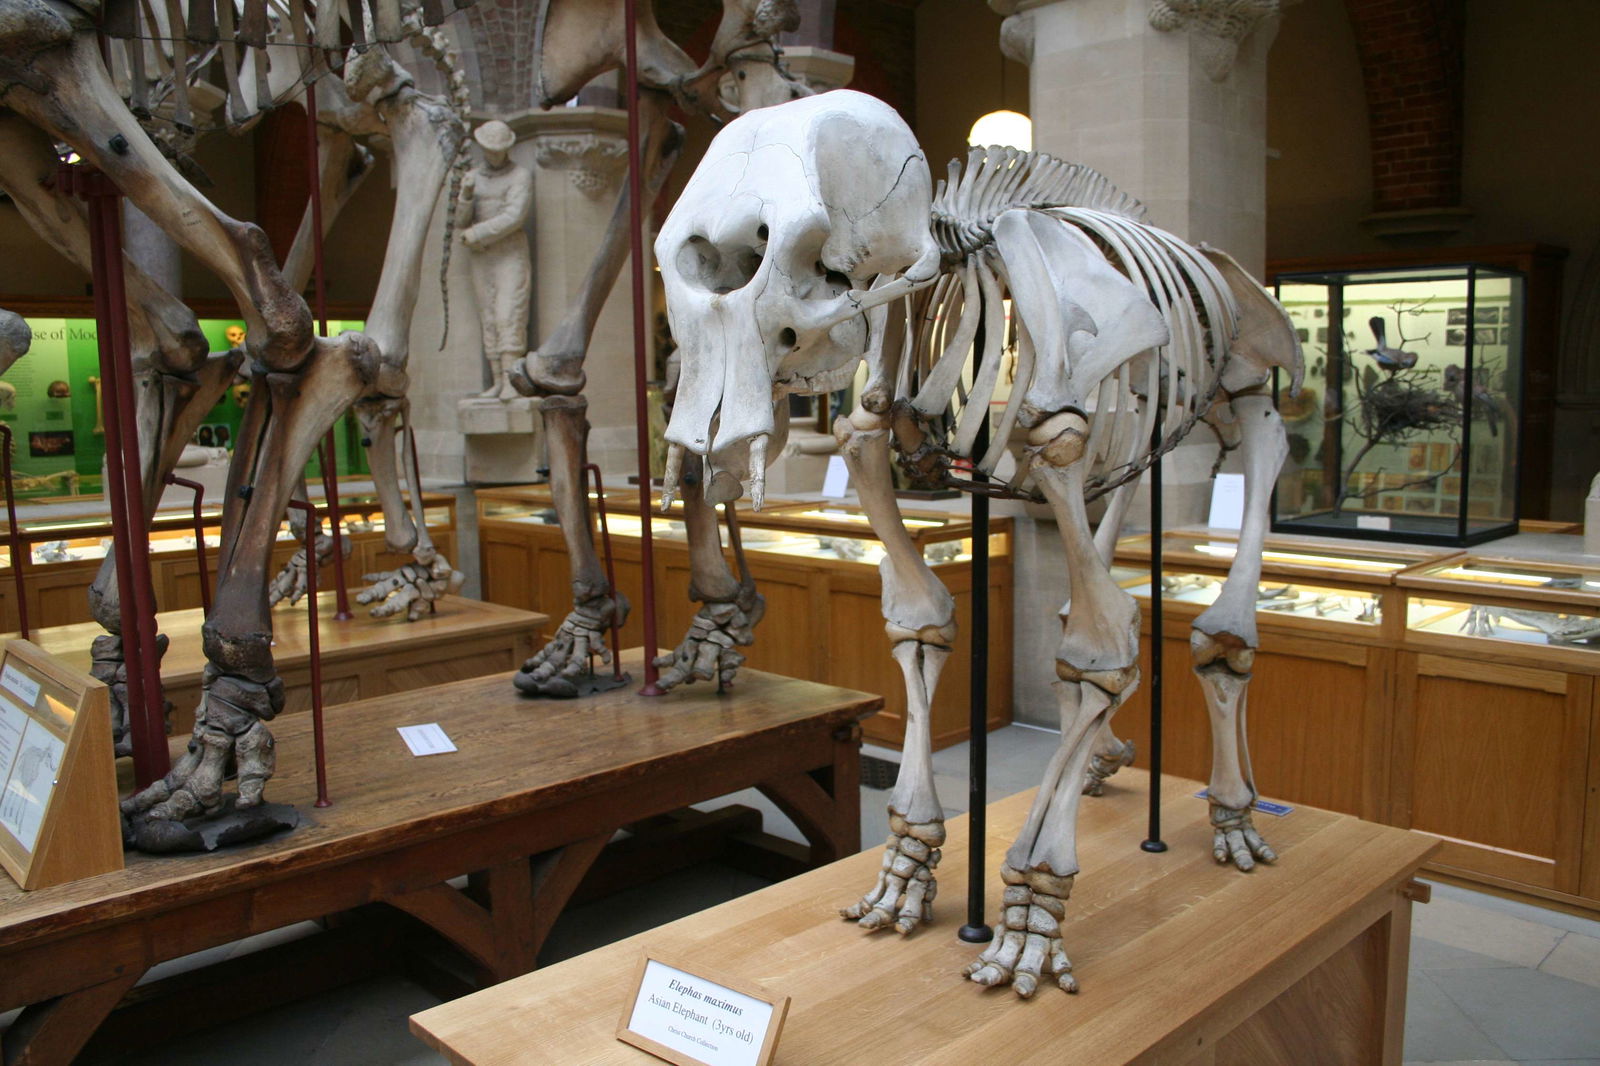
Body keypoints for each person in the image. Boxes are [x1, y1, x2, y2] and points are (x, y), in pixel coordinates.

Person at [458, 120, 532, 400]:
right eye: (490, 149)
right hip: (481, 257)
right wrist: (465, 196)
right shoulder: (474, 177)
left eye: (499, 149)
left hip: (509, 253)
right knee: (488, 316)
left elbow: (514, 216)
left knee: (508, 314)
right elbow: (459, 221)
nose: (494, 154)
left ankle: (512, 381)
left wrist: (477, 232)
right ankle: (498, 382)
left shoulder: (520, 176)